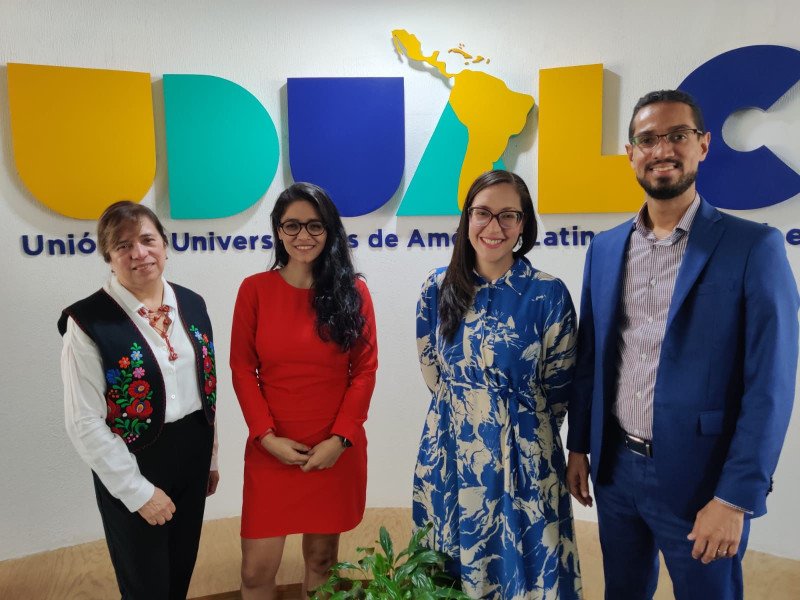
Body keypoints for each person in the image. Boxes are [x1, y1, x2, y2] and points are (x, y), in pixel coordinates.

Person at [566, 89, 799, 600]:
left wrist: (735, 498)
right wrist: (579, 445)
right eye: (647, 139)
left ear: (704, 146)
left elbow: (772, 387)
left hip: (703, 482)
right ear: (630, 153)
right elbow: (592, 358)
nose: (661, 149)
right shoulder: (605, 250)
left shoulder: (753, 247)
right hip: (615, 472)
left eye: (677, 136)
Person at [413, 170, 581, 599]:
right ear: (467, 219)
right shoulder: (437, 288)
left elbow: (560, 387)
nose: (494, 227)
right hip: (450, 452)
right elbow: (434, 373)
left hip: (526, 455)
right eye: (483, 213)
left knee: (527, 568)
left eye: (509, 215)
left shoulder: (548, 294)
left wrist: (512, 423)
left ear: (523, 225)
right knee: (450, 571)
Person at [59, 201, 219, 600]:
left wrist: (211, 459)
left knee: (180, 572)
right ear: (109, 258)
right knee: (145, 584)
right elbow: (84, 421)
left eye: (148, 240)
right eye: (124, 246)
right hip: (134, 462)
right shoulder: (87, 322)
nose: (139, 253)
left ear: (165, 245)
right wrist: (137, 492)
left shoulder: (193, 303)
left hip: (193, 455)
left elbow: (207, 389)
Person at [231, 182, 378, 600]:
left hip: (333, 450)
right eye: (292, 225)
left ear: (329, 231)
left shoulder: (354, 293)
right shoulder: (254, 291)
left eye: (314, 226)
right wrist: (265, 437)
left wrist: (340, 439)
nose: (303, 236)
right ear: (278, 231)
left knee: (321, 561)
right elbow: (242, 369)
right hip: (270, 448)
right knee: (256, 570)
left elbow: (364, 370)